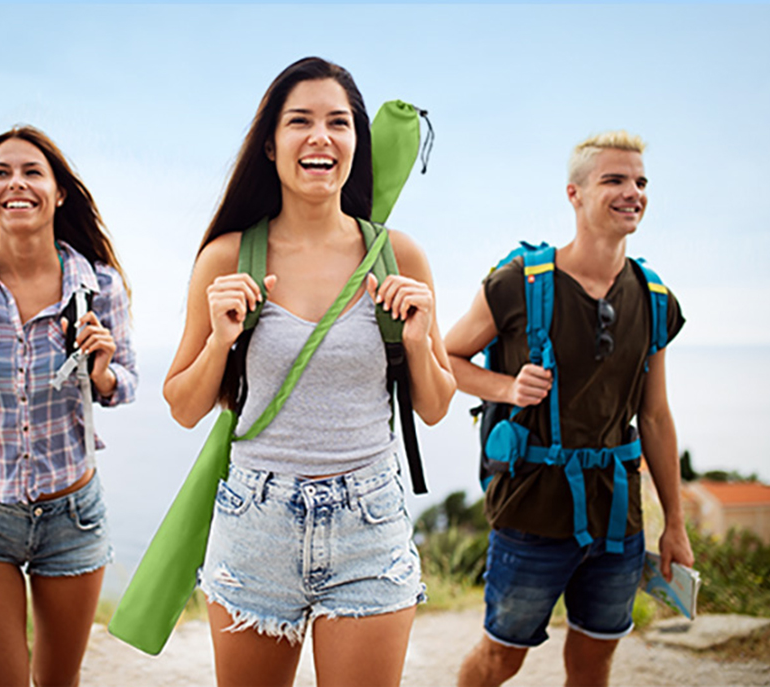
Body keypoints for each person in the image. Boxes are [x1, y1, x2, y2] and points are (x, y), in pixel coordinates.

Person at [163, 57, 455, 687]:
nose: (320, 137)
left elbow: (435, 405)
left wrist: (420, 338)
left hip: (368, 523)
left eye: (338, 122)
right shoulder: (228, 255)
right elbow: (183, 406)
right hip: (255, 521)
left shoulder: (399, 254)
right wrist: (219, 341)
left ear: (358, 143)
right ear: (271, 145)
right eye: (300, 121)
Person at [444, 131, 695, 687]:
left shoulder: (656, 300)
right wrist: (508, 388)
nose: (632, 192)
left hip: (617, 519)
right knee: (501, 659)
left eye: (640, 182)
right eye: (614, 180)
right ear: (574, 194)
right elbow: (446, 360)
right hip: (530, 514)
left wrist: (673, 525)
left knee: (593, 661)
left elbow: (654, 417)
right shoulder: (516, 285)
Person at [0, 125, 137, 687]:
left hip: (71, 515)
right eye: (2, 173)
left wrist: (102, 370)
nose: (16, 183)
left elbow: (125, 383)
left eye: (32, 171)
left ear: (59, 192)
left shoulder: (97, 285)